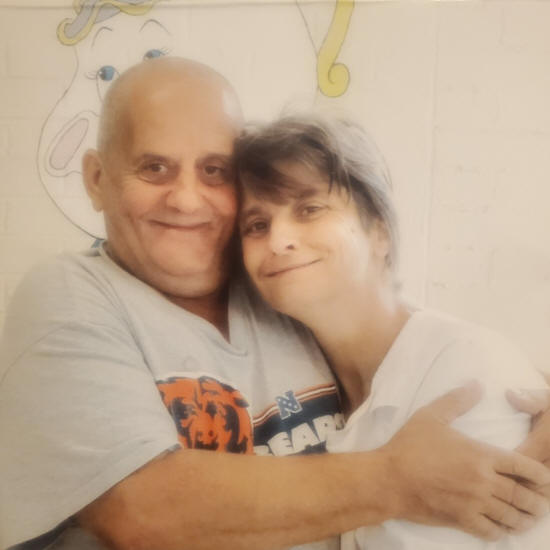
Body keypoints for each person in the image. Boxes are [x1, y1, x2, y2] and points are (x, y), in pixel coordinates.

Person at [1, 57, 550, 550]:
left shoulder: (275, 293)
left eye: (214, 171)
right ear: (97, 179)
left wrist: (518, 388)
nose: (186, 199)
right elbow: (143, 512)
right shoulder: (70, 296)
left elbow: (407, 342)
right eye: (154, 167)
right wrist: (398, 480)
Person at [235, 113, 550, 549]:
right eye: (257, 225)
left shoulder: (469, 373)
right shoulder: (297, 381)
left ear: (379, 232)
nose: (277, 240)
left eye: (310, 209)